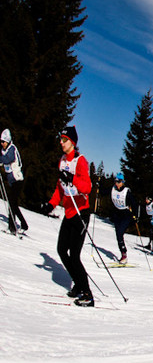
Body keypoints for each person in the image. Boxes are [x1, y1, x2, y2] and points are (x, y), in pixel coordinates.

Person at [39, 127, 94, 306]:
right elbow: (59, 187)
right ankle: (78, 285)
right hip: (69, 212)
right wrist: (51, 204)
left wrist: (72, 178)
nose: (61, 142)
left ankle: (87, 294)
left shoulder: (80, 160)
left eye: (64, 139)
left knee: (75, 254)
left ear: (73, 142)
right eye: (60, 139)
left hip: (81, 213)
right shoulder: (62, 160)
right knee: (62, 250)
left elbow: (87, 187)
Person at [1, 128, 28, 233]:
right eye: (1, 141)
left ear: (8, 141)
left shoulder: (12, 149)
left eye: (3, 141)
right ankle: (24, 224)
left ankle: (12, 228)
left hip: (18, 180)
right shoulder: (4, 151)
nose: (2, 143)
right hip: (12, 181)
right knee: (13, 204)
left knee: (11, 203)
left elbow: (8, 159)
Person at [109, 173, 137, 264]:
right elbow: (104, 191)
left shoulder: (126, 191)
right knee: (118, 235)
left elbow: (134, 204)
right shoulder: (113, 189)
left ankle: (124, 255)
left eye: (119, 182)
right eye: (116, 181)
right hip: (117, 214)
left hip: (126, 214)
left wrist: (135, 215)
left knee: (120, 232)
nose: (117, 183)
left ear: (123, 182)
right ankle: (123, 254)